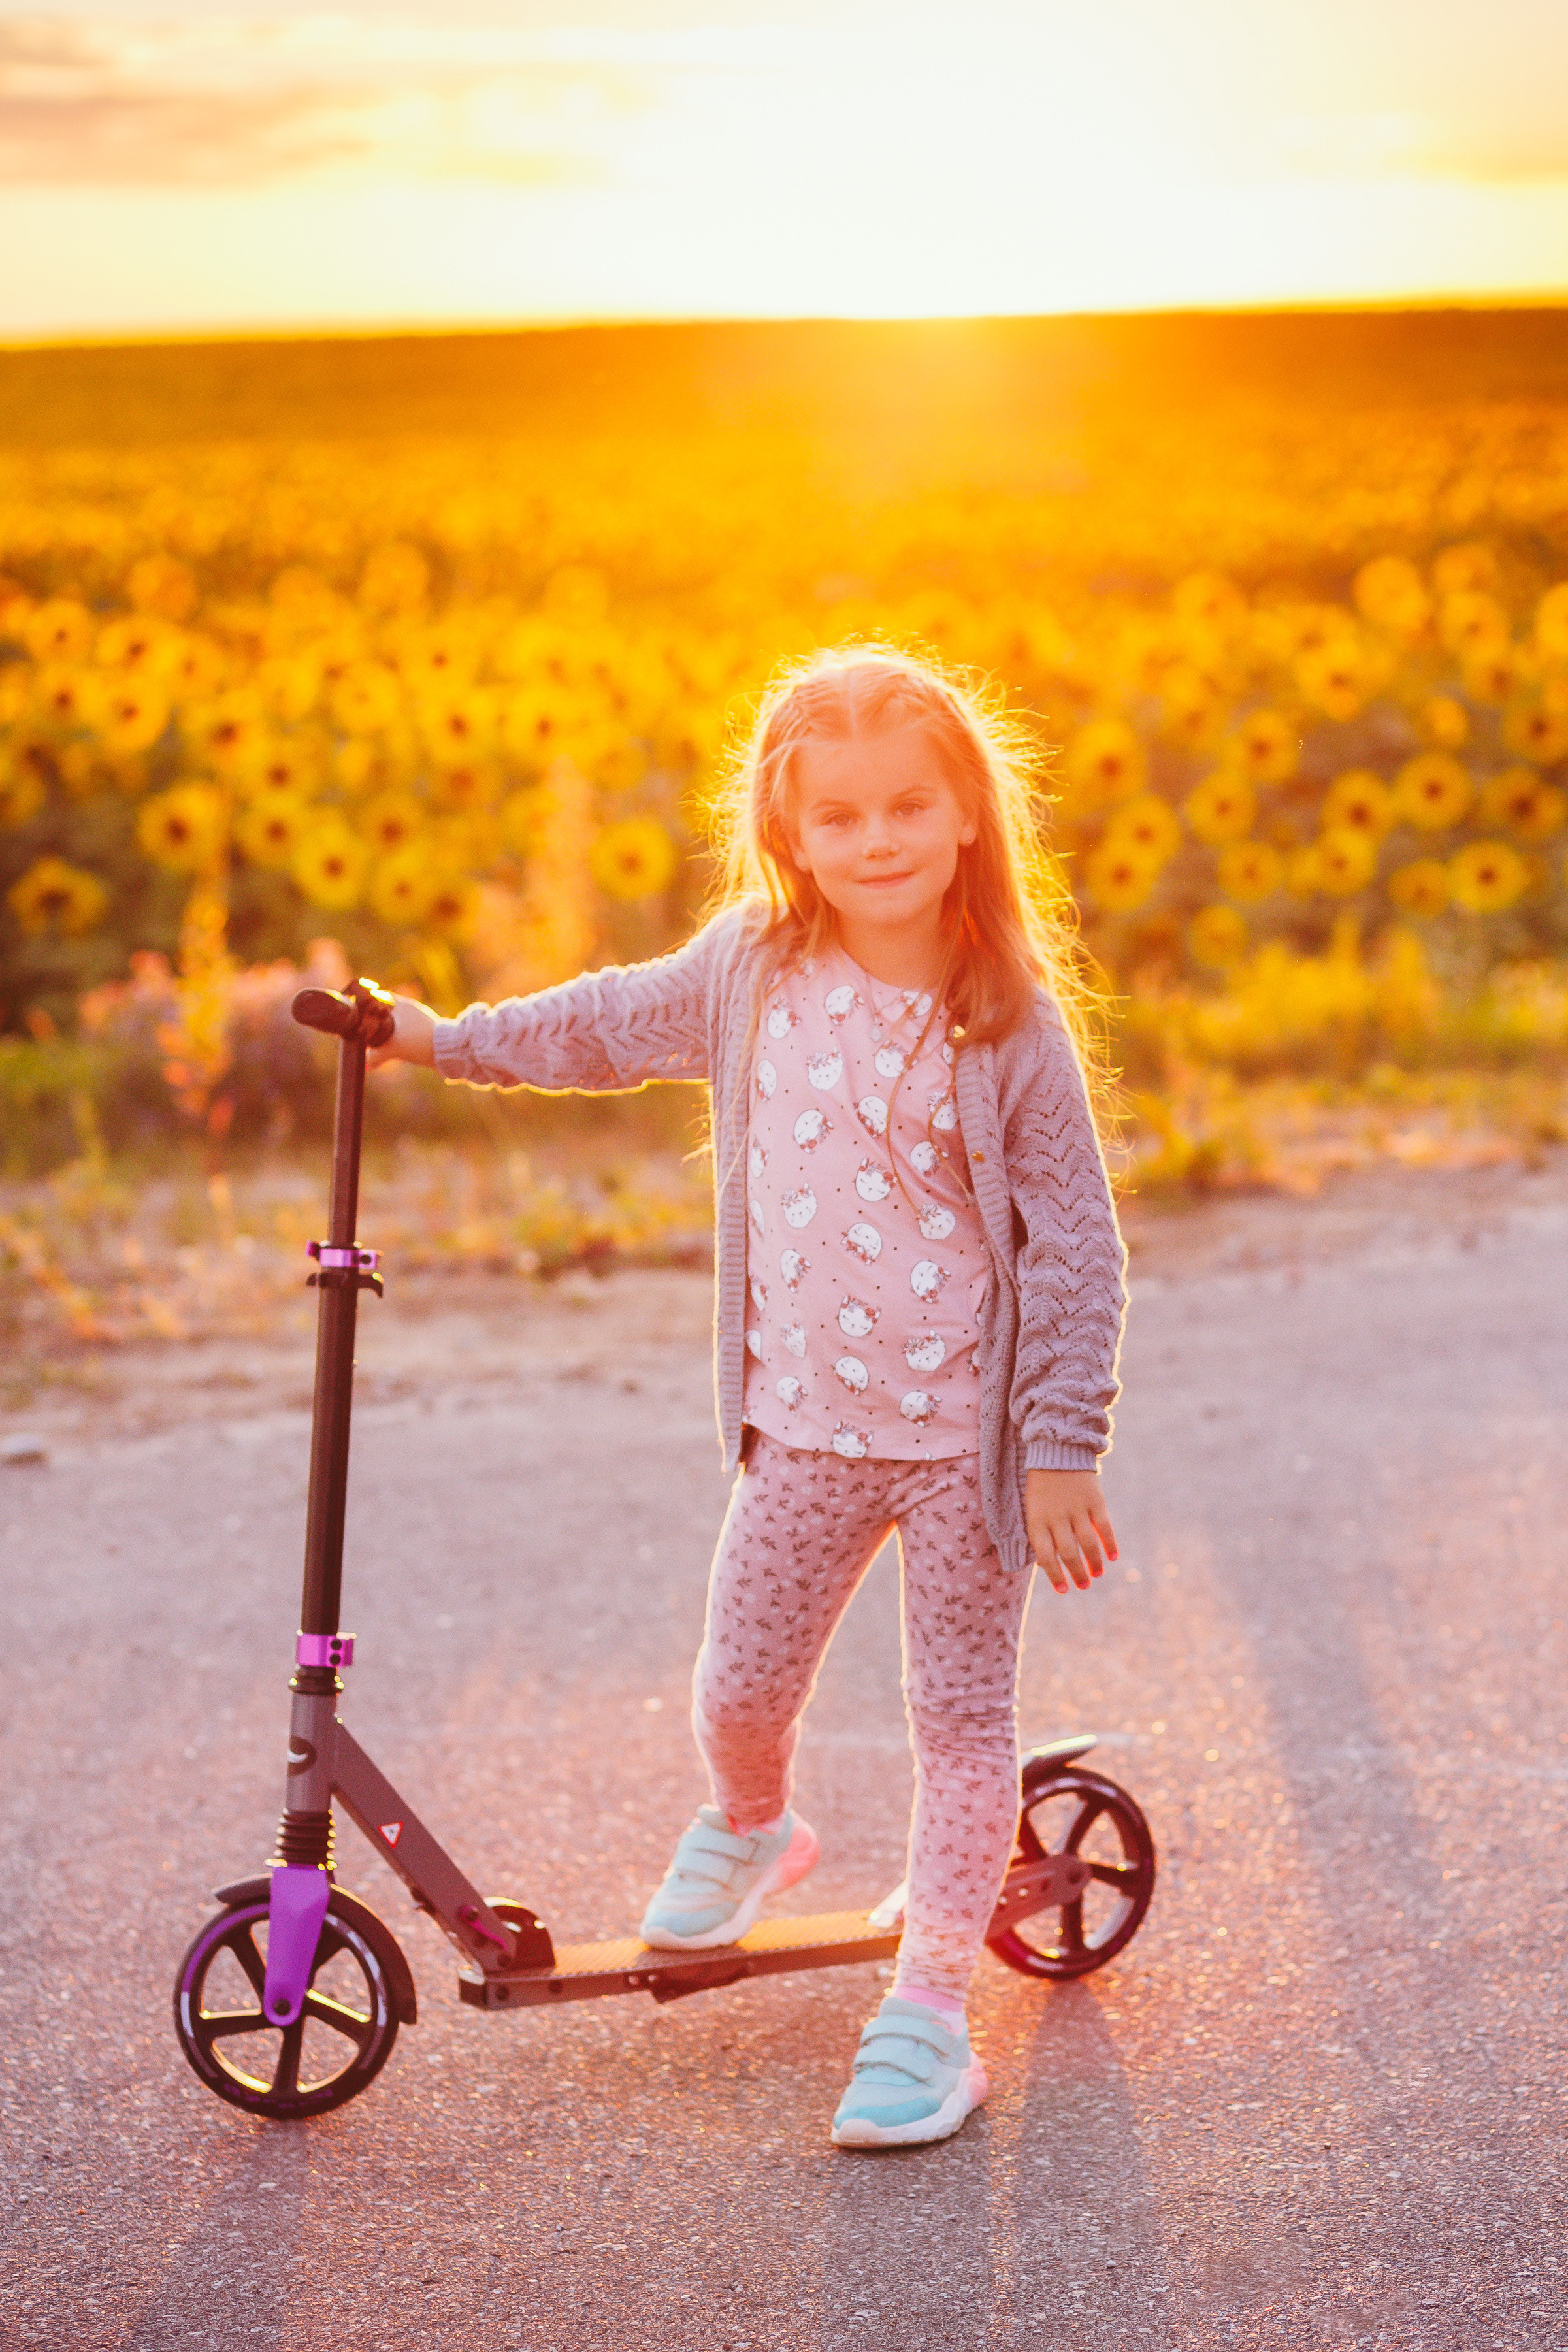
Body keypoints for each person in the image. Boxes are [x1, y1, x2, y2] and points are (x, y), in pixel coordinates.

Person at [370, 645, 1127, 2149]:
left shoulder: (1009, 1025)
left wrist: (1058, 1451)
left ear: (968, 815)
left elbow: (1079, 1250)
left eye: (910, 805)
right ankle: (754, 1823)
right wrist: (449, 1042)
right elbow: (601, 1021)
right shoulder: (751, 971)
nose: (879, 840)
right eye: (839, 817)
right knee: (735, 1687)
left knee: (962, 1730)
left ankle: (925, 2021)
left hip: (962, 1456)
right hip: (803, 1433)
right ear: (790, 831)